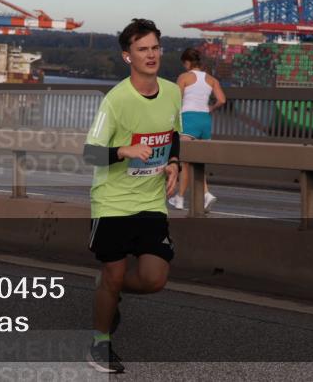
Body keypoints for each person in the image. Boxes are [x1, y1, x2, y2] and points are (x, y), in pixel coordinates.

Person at [83, 19, 182, 374]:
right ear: (128, 57)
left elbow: (172, 135)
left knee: (155, 278)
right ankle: (100, 343)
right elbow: (90, 154)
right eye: (142, 49)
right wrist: (123, 151)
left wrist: (173, 163)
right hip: (112, 200)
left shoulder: (173, 92)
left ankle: (107, 288)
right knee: (115, 270)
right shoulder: (116, 100)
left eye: (155, 47)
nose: (151, 54)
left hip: (151, 200)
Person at [169, 47, 225, 212]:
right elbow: (222, 100)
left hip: (189, 120)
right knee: (197, 162)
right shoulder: (211, 79)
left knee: (184, 161)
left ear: (187, 62)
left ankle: (184, 199)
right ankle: (185, 197)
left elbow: (176, 100)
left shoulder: (184, 77)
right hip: (205, 121)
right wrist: (210, 108)